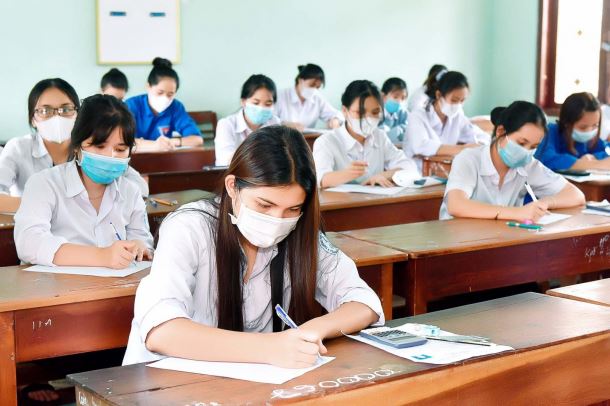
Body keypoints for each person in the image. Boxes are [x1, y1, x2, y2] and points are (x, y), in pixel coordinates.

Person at [123, 125, 383, 366]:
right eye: (264, 205)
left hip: (246, 382)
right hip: (166, 380)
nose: (277, 220)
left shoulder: (300, 234)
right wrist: (271, 348)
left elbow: (364, 302)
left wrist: (310, 332)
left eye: (293, 209)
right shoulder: (189, 227)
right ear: (233, 187)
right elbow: (161, 332)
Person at [14, 94, 154, 267]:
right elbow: (28, 243)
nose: (110, 156)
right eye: (99, 146)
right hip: (55, 283)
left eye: (120, 149)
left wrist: (140, 246)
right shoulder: (44, 184)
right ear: (77, 145)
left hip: (116, 282)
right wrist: (102, 256)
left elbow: (142, 238)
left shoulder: (130, 191)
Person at [0, 79, 148, 213]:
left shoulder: (90, 147)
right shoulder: (19, 148)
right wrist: (50, 206)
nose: (57, 117)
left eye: (66, 109)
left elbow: (140, 188)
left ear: (79, 115)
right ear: (33, 119)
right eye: (45, 111)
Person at [440, 101, 585, 221]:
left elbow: (576, 196)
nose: (526, 151)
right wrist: (517, 213)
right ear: (501, 132)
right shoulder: (468, 159)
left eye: (533, 146)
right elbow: (456, 205)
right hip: (457, 239)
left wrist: (545, 203)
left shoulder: (528, 164)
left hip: (498, 238)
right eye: (521, 143)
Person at [313, 80, 418, 188]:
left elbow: (409, 166)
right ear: (345, 111)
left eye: (375, 112)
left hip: (375, 198)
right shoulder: (326, 142)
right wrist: (347, 174)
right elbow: (320, 180)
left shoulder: (379, 137)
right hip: (340, 199)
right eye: (360, 112)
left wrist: (383, 175)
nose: (369, 119)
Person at [403, 70, 489, 170]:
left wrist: (479, 145)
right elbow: (420, 146)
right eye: (454, 100)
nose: (458, 105)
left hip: (443, 171)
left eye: (462, 101)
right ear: (439, 95)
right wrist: (462, 149)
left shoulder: (457, 117)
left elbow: (479, 137)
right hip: (416, 172)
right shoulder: (418, 116)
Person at [125, 57, 202, 151]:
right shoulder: (131, 106)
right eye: (160, 92)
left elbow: (197, 139)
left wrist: (172, 142)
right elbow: (121, 141)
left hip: (164, 157)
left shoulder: (176, 107)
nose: (165, 98)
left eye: (170, 94)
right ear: (148, 86)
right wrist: (154, 145)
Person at [215, 74, 281, 166]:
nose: (261, 108)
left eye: (268, 104)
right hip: (234, 173)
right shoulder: (226, 124)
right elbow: (225, 160)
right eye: (256, 103)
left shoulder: (274, 122)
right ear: (243, 102)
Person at [535, 92, 610, 171]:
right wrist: (594, 164)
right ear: (566, 123)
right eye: (583, 127)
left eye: (595, 125)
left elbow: (607, 150)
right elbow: (546, 159)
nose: (589, 131)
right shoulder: (550, 132)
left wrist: (595, 157)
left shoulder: (592, 140)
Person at [274, 64, 343, 131]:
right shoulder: (280, 96)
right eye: (312, 85)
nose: (314, 90)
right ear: (300, 80)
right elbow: (269, 120)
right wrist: (284, 124)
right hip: (282, 137)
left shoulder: (317, 98)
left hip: (307, 138)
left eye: (317, 87)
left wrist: (335, 120)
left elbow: (337, 114)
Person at [380, 77, 408, 143]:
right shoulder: (376, 113)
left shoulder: (403, 113)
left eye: (403, 98)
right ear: (383, 96)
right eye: (395, 97)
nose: (399, 101)